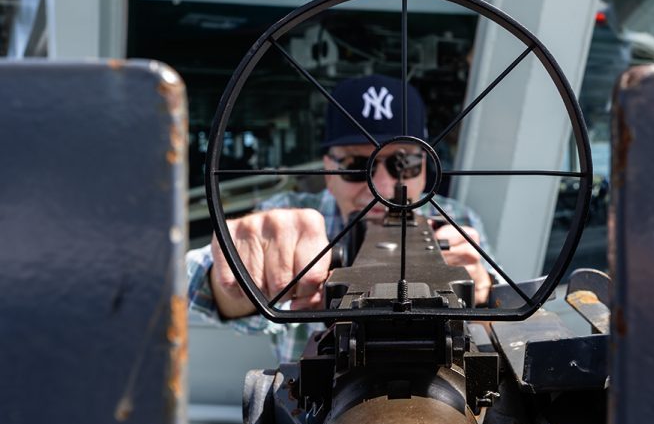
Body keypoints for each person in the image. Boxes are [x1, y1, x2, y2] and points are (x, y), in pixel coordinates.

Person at [187, 74, 494, 356]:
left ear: (425, 167)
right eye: (356, 166)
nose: (383, 187)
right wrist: (238, 277)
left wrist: (481, 291)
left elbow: (505, 303)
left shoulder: (456, 219)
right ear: (328, 170)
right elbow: (188, 279)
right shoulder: (292, 213)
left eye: (403, 163)